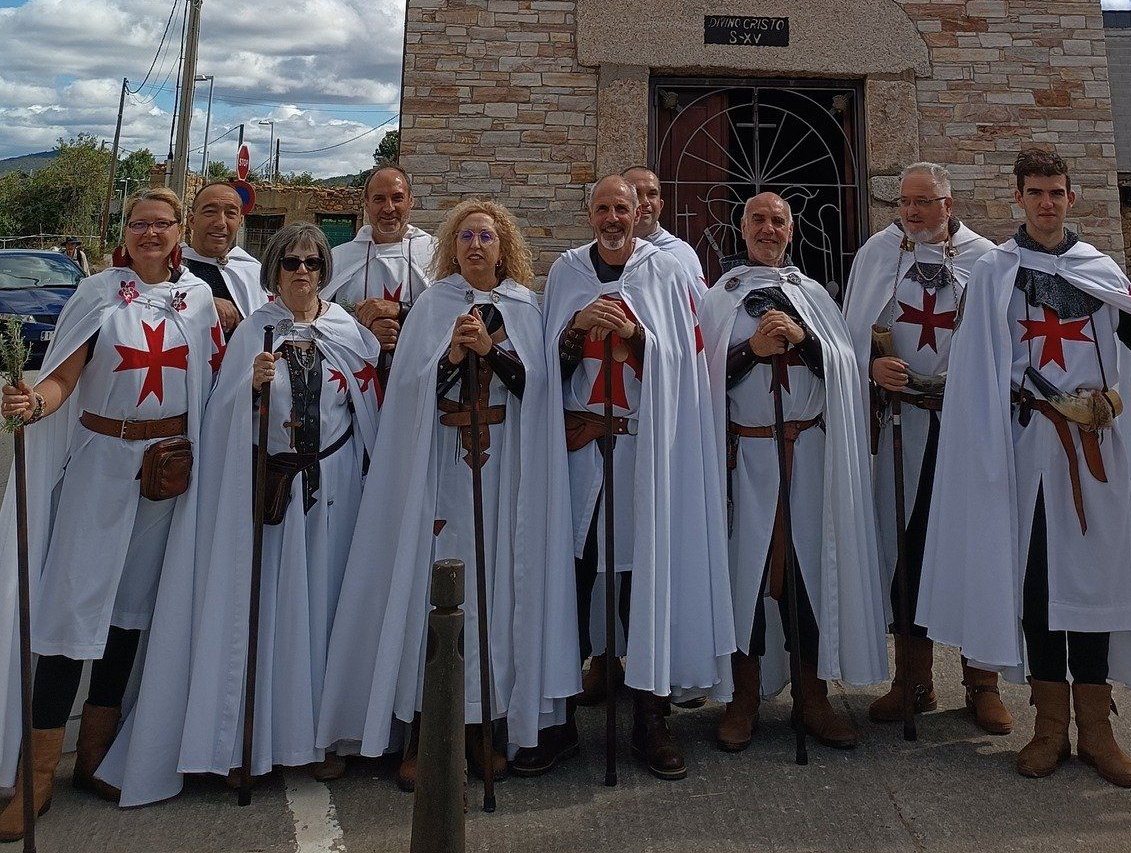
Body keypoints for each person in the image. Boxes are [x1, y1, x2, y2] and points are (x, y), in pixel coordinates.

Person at [920, 144, 1131, 787]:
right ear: (1018, 197)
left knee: (1097, 587)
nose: (1046, 203)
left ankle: (1097, 732)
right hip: (1026, 452)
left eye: (1056, 193)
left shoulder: (1098, 270)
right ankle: (1049, 729)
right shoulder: (995, 273)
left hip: (1094, 452)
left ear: (1071, 198)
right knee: (1039, 587)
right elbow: (976, 372)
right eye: (1036, 192)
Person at [0, 188, 216, 838]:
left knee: (129, 617)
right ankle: (36, 777)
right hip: (101, 468)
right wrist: (35, 403)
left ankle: (95, 755)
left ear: (179, 232)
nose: (151, 234)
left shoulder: (198, 300)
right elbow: (64, 377)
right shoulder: (97, 293)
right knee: (70, 617)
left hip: (167, 474)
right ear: (126, 232)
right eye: (140, 224)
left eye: (162, 224)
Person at [105, 224, 382, 801]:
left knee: (326, 609)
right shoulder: (256, 332)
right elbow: (218, 420)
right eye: (290, 263)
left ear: (324, 270)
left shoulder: (346, 332)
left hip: (334, 496)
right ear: (274, 271)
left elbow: (369, 412)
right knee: (267, 612)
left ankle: (323, 736)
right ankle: (249, 742)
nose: (301, 272)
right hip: (269, 494)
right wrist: (247, 391)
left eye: (311, 262)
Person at [319, 198, 577, 788]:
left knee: (495, 594)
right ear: (452, 248)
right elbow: (412, 391)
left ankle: (484, 727)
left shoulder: (524, 307)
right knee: (431, 593)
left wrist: (492, 352)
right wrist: (453, 355)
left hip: (504, 473)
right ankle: (426, 730)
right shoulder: (434, 305)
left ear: (503, 247)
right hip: (440, 473)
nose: (476, 245)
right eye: (465, 237)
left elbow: (536, 387)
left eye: (486, 236)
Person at [539, 174, 734, 780]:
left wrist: (635, 336)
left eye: (622, 208)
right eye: (602, 208)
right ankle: (558, 722)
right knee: (571, 581)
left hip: (642, 453)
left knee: (641, 581)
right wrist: (576, 329)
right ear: (589, 214)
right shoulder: (566, 273)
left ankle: (651, 718)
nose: (613, 219)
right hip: (579, 455)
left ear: (639, 211)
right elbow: (546, 364)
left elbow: (686, 361)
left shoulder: (666, 272)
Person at [702, 191, 887, 753]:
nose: (767, 228)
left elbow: (845, 369)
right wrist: (751, 350)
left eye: (777, 221)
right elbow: (700, 377)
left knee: (809, 574)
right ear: (742, 229)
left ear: (790, 229)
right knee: (746, 576)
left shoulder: (813, 295)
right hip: (745, 458)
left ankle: (814, 698)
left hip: (808, 456)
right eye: (757, 220)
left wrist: (806, 341)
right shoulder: (721, 296)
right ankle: (743, 698)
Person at [841, 163, 1004, 732]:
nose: (911, 212)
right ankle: (913, 680)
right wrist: (871, 366)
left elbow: (1003, 341)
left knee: (973, 547)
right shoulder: (878, 254)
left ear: (948, 204)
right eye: (904, 202)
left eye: (923, 202)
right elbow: (849, 333)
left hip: (966, 429)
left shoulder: (987, 260)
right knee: (907, 550)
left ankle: (982, 683)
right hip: (903, 425)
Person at [328, 164, 435, 377]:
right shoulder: (338, 258)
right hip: (355, 378)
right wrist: (365, 332)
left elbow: (450, 313)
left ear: (411, 201)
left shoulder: (435, 254)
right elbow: (319, 319)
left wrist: (400, 310)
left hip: (422, 376)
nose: (388, 208)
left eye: (397, 198)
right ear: (367, 204)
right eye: (379, 199)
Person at [181, 181, 265, 338]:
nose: (220, 223)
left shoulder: (254, 272)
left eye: (230, 214)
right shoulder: (170, 266)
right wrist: (202, 303)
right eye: (210, 212)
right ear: (192, 220)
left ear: (240, 221)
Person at [625, 167, 705, 290]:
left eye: (652, 194)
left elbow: (697, 300)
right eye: (636, 193)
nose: (645, 202)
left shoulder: (680, 254)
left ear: (661, 205)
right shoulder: (601, 253)